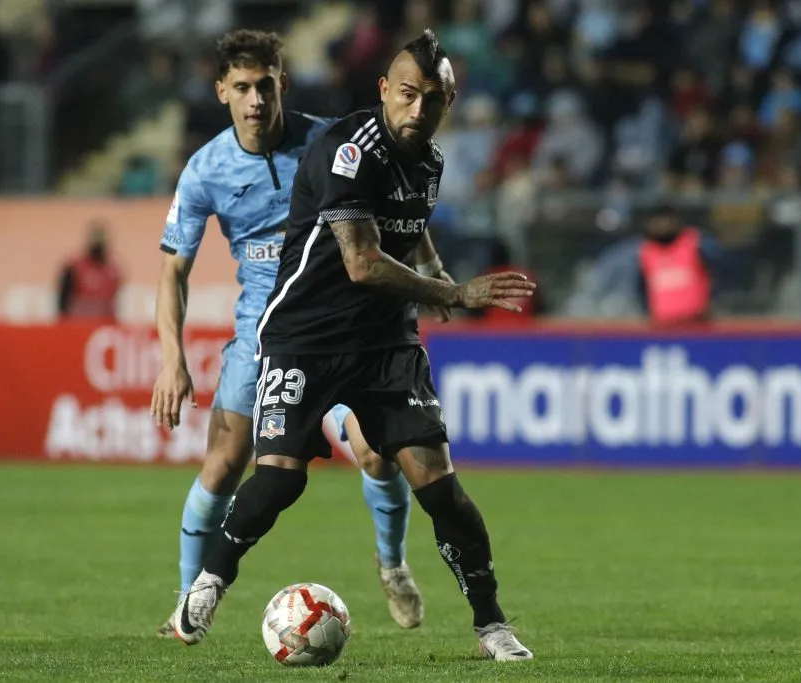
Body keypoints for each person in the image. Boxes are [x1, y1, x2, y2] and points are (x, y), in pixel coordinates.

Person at [172, 29, 537, 662]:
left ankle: (491, 626)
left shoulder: (430, 162)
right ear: (383, 91)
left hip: (385, 342)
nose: (416, 111)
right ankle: (209, 581)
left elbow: (408, 237)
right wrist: (453, 295)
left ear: (448, 101)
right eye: (405, 96)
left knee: (439, 485)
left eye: (431, 99)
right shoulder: (347, 149)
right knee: (279, 482)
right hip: (304, 336)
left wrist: (437, 277)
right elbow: (363, 262)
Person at [151, 29, 422, 638]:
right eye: (242, 87)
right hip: (263, 331)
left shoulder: (332, 141)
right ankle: (189, 603)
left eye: (265, 85)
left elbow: (396, 207)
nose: (255, 100)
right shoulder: (205, 171)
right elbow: (173, 271)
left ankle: (392, 563)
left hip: (348, 320)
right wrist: (172, 361)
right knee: (222, 464)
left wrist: (426, 267)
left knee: (377, 454)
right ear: (222, 91)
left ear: (282, 83)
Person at [57, 222, 122, 321]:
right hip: (78, 323)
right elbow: (63, 299)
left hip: (104, 322)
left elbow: (114, 300)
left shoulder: (113, 271)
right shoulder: (74, 267)